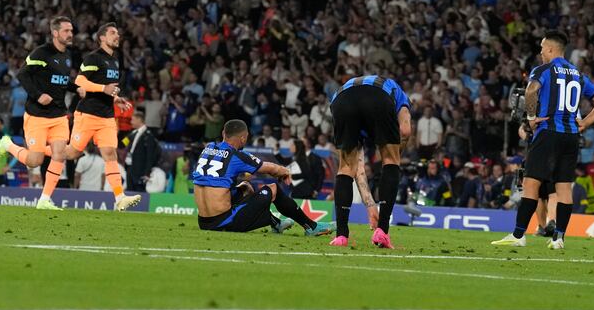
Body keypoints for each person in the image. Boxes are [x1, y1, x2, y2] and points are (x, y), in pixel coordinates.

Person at [493, 32, 594, 250]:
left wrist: (530, 119)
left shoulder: (543, 70)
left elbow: (531, 91)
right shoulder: (578, 74)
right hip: (571, 137)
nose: (540, 52)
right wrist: (584, 122)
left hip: (548, 132)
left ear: (550, 49)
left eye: (542, 48)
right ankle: (559, 239)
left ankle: (519, 235)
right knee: (564, 188)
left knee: (530, 185)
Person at [0, 16, 75, 210]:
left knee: (59, 155)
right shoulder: (42, 52)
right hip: (37, 115)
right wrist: (38, 95)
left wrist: (76, 87)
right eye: (66, 31)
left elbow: (61, 80)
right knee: (35, 161)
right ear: (55, 33)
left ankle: (44, 199)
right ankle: (7, 144)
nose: (70, 34)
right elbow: (22, 74)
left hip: (59, 115)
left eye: (71, 31)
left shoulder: (68, 56)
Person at [192, 119, 335, 236]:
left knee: (245, 187)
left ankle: (276, 223)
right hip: (224, 222)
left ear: (224, 133)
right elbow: (271, 168)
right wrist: (284, 171)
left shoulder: (209, 148)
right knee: (273, 189)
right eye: (246, 138)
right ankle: (311, 226)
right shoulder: (237, 155)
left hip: (203, 221)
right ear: (243, 138)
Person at [329, 74, 413, 249]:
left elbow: (356, 168)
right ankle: (382, 232)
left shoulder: (351, 99)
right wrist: (395, 157)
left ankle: (341, 236)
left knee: (345, 167)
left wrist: (370, 205)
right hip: (378, 96)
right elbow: (405, 130)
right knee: (390, 160)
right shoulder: (401, 96)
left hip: (340, 99)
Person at [68, 22, 140, 210]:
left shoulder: (115, 60)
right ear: (102, 38)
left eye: (118, 33)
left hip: (106, 117)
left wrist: (116, 98)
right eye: (113, 33)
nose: (117, 36)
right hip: (87, 114)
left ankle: (119, 198)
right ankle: (39, 151)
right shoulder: (93, 58)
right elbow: (79, 81)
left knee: (110, 154)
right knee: (71, 153)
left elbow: (109, 88)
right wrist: (103, 89)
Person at [124, 109, 161, 192]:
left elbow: (150, 156)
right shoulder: (133, 133)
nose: (131, 122)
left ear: (139, 120)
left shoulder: (148, 136)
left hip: (140, 171)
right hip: (130, 168)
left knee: (139, 194)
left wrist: (147, 173)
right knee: (129, 192)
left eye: (133, 120)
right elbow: (123, 143)